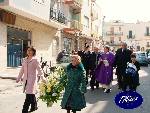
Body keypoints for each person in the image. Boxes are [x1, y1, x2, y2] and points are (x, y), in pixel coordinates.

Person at [16, 46, 45, 113]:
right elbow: (22, 70)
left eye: (30, 50)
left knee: (28, 95)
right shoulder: (25, 59)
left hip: (32, 81)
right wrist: (18, 78)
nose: (28, 51)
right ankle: (34, 106)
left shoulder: (35, 60)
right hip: (26, 80)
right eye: (28, 50)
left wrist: (43, 78)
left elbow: (40, 70)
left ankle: (24, 110)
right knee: (31, 94)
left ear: (33, 52)